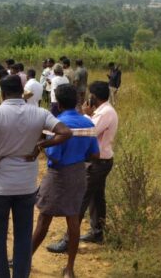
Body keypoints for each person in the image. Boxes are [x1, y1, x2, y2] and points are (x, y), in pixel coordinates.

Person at [0, 76, 72, 278]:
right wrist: (40, 145)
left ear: (3, 93)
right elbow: (65, 132)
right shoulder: (40, 113)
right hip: (26, 186)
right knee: (23, 237)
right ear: (22, 91)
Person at [32, 84, 100, 278]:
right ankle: (69, 268)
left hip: (58, 176)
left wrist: (43, 147)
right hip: (79, 174)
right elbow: (95, 153)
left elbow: (54, 156)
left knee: (44, 218)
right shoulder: (88, 123)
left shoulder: (56, 123)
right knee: (73, 220)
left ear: (59, 104)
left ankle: (25, 258)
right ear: (77, 101)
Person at [47, 81, 118, 253]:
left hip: (98, 162)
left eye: (90, 94)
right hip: (102, 160)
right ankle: (97, 232)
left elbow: (90, 130)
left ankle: (68, 240)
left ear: (95, 96)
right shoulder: (103, 111)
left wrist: (85, 115)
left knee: (81, 200)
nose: (88, 97)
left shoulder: (104, 113)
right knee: (97, 198)